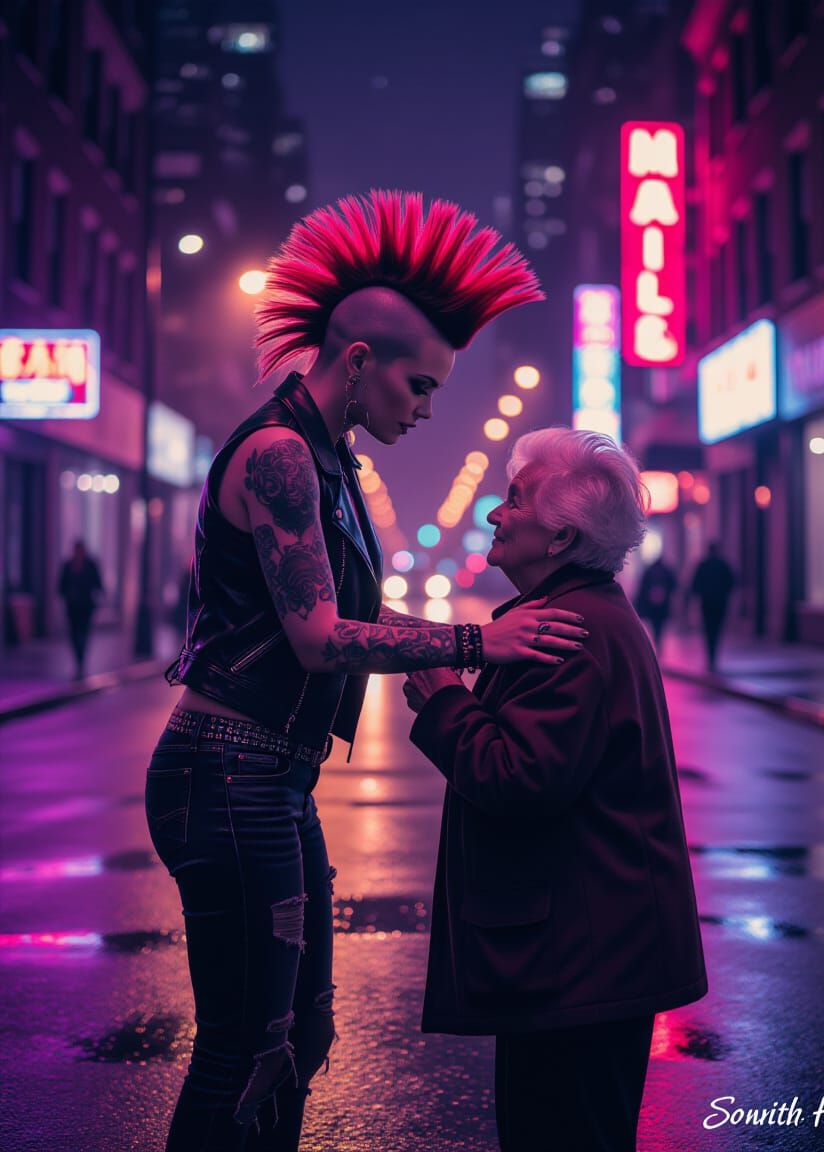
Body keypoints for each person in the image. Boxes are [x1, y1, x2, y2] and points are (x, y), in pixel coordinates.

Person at [146, 190, 587, 1151]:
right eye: (420, 386)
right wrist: (474, 642)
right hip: (225, 772)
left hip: (270, 776)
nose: (428, 407)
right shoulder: (279, 455)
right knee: (246, 1044)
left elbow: (347, 618)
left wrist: (456, 638)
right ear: (358, 362)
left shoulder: (330, 461)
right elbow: (316, 637)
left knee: (301, 1035)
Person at [403, 428, 708, 1152]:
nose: (495, 514)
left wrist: (445, 699)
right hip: (581, 958)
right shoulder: (576, 615)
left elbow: (521, 778)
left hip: (583, 965)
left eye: (514, 499)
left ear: (561, 535)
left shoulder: (572, 630)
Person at [57, 539, 103, 678]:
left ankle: (80, 662)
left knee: (83, 633)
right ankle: (78, 660)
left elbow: (98, 583)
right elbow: (61, 585)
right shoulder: (68, 565)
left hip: (86, 607)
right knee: (73, 634)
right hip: (72, 607)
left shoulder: (90, 565)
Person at [690, 541, 736, 672]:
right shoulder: (723, 565)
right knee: (717, 629)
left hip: (707, 602)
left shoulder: (703, 565)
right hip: (720, 602)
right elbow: (732, 582)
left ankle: (711, 657)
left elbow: (695, 585)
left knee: (708, 629)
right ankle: (713, 657)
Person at [634, 554, 677, 647]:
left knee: (654, 624)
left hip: (651, 605)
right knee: (659, 625)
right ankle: (658, 641)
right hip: (663, 605)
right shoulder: (666, 571)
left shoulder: (649, 571)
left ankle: (657, 640)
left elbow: (642, 588)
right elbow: (673, 585)